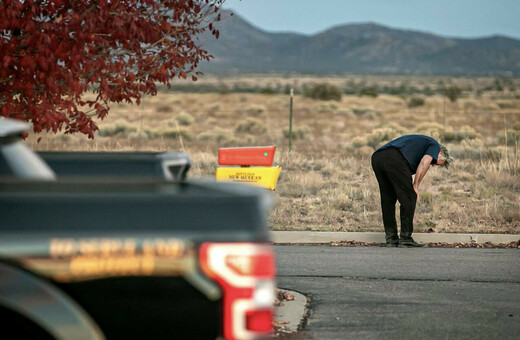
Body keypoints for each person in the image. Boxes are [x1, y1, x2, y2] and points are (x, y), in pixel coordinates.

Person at [371, 134, 452, 247]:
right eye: (435, 162)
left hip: (377, 157)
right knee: (410, 197)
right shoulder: (435, 146)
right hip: (394, 158)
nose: (433, 165)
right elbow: (424, 163)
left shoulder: (421, 144)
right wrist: (415, 186)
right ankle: (405, 239)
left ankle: (391, 239)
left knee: (388, 200)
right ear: (440, 153)